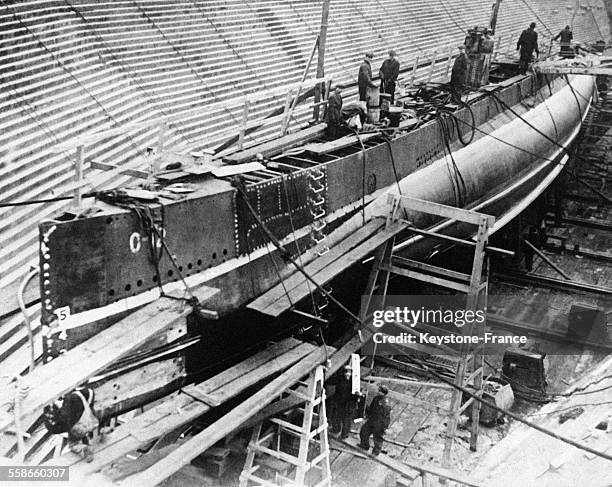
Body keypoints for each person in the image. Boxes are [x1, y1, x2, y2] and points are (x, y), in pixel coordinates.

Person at [43, 387, 98, 462]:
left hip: (77, 427)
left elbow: (64, 416)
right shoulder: (85, 392)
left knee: (73, 444)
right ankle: (88, 444)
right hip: (88, 421)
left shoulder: (70, 399)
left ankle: (85, 448)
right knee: (80, 432)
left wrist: (55, 407)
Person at [359, 384, 391, 456]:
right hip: (372, 420)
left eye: (379, 391)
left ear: (383, 393)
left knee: (378, 438)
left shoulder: (385, 404)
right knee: (364, 432)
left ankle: (375, 452)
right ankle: (364, 445)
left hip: (380, 423)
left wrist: (385, 427)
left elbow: (386, 417)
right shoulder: (376, 398)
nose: (377, 391)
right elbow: (371, 408)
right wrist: (367, 413)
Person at [330, 365, 357, 439]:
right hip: (340, 402)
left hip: (349, 405)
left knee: (346, 421)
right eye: (346, 372)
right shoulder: (340, 378)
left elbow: (356, 394)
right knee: (336, 417)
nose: (347, 373)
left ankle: (344, 435)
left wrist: (357, 396)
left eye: (349, 372)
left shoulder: (355, 382)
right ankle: (335, 429)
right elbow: (331, 381)